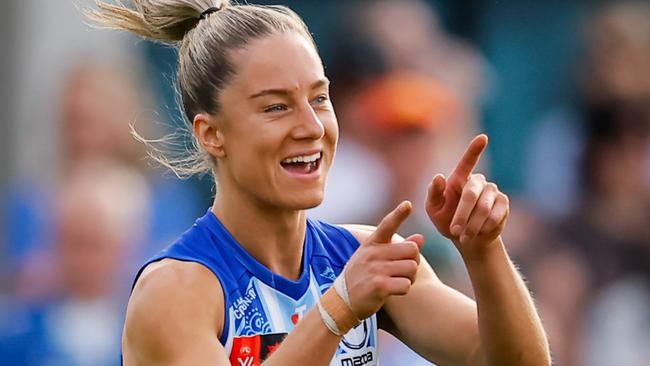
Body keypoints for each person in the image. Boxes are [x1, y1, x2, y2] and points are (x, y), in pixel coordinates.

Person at [87, 1, 550, 365]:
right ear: (212, 134)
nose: (311, 126)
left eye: (320, 98)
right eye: (275, 107)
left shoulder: (360, 256)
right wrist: (337, 310)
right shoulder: (177, 290)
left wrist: (484, 250)